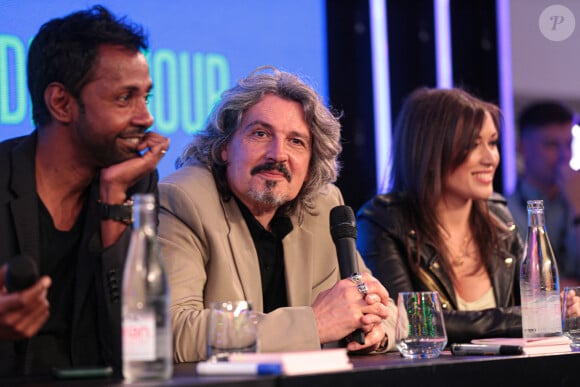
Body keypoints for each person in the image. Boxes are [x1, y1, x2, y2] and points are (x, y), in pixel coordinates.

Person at [158, 66, 396, 362]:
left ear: (311, 162)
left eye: (296, 141)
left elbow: (386, 309)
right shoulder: (184, 199)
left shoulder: (323, 206)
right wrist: (314, 324)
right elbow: (171, 330)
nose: (278, 154)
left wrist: (376, 330)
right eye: (260, 134)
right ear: (224, 148)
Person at [0, 6, 169, 376]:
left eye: (146, 97)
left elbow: (139, 348)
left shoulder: (135, 186)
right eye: (125, 98)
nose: (146, 117)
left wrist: (113, 201)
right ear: (61, 103)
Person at [356, 87, 525, 344]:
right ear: (431, 150)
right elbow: (411, 322)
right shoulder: (383, 222)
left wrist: (562, 310)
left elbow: (538, 310)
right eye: (472, 144)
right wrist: (516, 319)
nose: (491, 157)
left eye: (492, 142)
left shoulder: (499, 216)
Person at [506, 101, 580, 282]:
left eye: (569, 144)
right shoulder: (505, 211)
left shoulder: (574, 198)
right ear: (522, 148)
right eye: (552, 145)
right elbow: (518, 284)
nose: (565, 155)